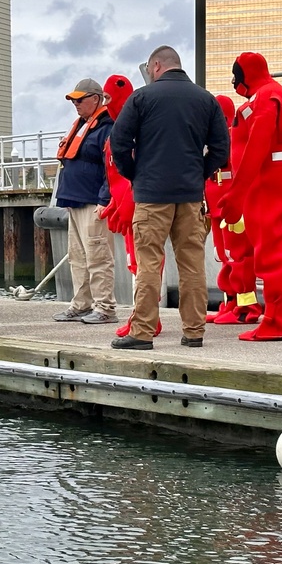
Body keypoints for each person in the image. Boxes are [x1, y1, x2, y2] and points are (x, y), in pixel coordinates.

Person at [108, 45, 230, 350]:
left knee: (149, 262)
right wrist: (199, 172)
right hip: (190, 196)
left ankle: (143, 332)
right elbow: (221, 150)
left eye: (150, 69)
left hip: (151, 195)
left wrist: (136, 174)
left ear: (157, 66)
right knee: (192, 263)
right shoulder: (206, 99)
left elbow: (119, 142)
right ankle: (193, 331)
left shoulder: (141, 98)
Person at [220, 51, 282, 341]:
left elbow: (257, 146)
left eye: (237, 78)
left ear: (244, 76)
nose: (236, 85)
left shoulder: (264, 99)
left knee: (268, 251)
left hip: (267, 182)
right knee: (275, 246)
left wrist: (236, 193)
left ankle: (273, 321)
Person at [98, 74, 163, 339]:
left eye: (108, 98)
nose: (106, 103)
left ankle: (146, 317)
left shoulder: (134, 129)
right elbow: (117, 176)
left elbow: (135, 172)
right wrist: (114, 204)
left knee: (143, 263)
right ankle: (143, 314)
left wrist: (125, 205)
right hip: (128, 205)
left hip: (139, 206)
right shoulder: (119, 129)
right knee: (134, 262)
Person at [50, 78, 117, 324]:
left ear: (96, 99)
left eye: (80, 99)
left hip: (93, 202)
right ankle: (81, 304)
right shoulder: (81, 125)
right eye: (73, 100)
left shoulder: (107, 127)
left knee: (98, 256)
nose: (75, 104)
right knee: (78, 257)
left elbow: (112, 166)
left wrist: (104, 198)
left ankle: (105, 307)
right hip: (75, 200)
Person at [205, 94, 263, 325]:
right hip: (216, 205)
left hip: (231, 205)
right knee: (225, 257)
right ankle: (230, 301)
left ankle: (247, 306)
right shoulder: (212, 139)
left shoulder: (234, 136)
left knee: (239, 257)